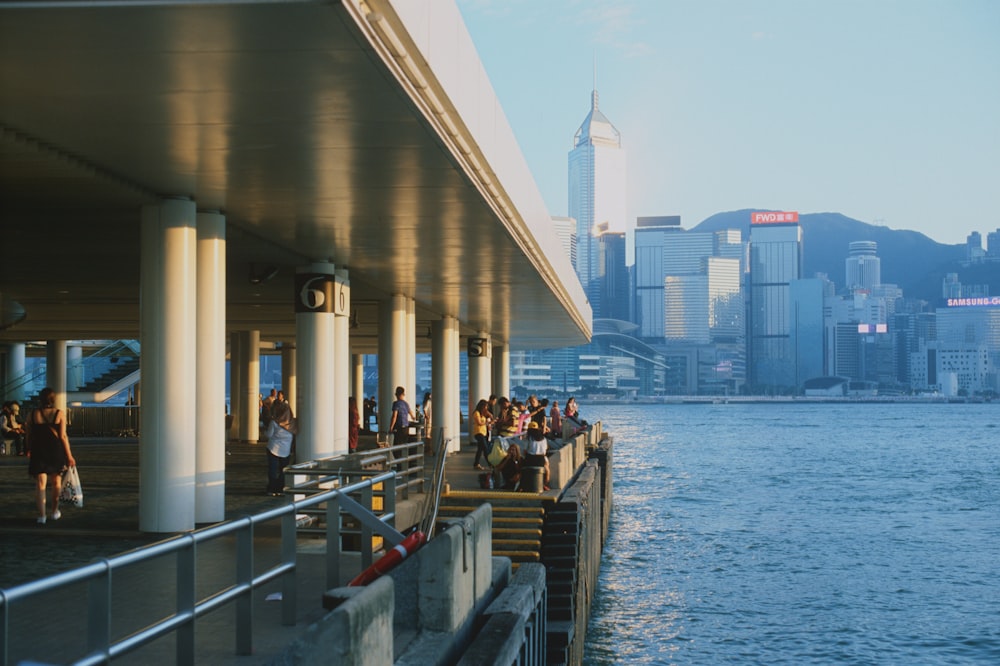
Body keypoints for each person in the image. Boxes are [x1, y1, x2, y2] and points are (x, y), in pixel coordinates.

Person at [28, 387, 76, 523]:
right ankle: (54, 511)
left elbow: (29, 435)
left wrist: (28, 449)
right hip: (55, 450)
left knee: (40, 484)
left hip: (38, 450)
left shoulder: (32, 414)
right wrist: (69, 456)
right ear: (53, 399)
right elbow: (63, 436)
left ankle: (42, 516)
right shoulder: (59, 414)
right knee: (56, 483)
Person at [265, 400, 295, 496]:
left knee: (272, 470)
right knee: (284, 470)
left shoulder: (274, 422)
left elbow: (269, 435)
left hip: (273, 448)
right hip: (286, 450)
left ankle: (272, 488)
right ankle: (280, 488)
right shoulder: (292, 424)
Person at [471, 399, 492, 470]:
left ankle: (476, 463)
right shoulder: (476, 413)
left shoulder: (483, 414)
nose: (486, 408)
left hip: (483, 433)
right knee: (485, 448)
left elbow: (491, 417)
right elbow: (479, 423)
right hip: (478, 432)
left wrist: (489, 415)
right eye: (485, 406)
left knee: (480, 449)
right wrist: (487, 423)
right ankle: (490, 464)